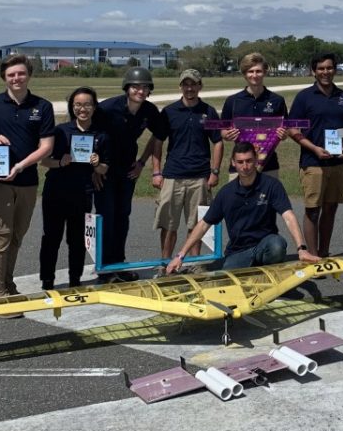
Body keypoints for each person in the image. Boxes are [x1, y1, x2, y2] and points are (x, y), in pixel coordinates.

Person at [164, 141, 318, 273]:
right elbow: (204, 224)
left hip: (264, 245)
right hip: (238, 251)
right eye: (240, 162)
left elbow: (289, 216)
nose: (245, 166)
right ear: (233, 163)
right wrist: (180, 255)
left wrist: (301, 249)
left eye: (249, 161)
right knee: (228, 286)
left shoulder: (271, 185)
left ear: (256, 160)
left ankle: (268, 271)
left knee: (277, 245)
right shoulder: (226, 193)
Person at [0, 54, 55, 301]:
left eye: (20, 73)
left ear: (29, 75)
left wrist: (21, 166)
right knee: (0, 236)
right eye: (11, 75)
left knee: (16, 236)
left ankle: (7, 283)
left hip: (27, 182)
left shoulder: (42, 106)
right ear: (4, 78)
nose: (16, 78)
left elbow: (46, 146)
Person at [95, 66, 168, 281]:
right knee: (106, 217)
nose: (141, 91)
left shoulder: (149, 111)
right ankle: (105, 268)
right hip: (104, 170)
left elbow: (158, 136)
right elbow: (88, 134)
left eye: (145, 87)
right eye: (136, 87)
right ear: (127, 88)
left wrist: (142, 163)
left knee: (122, 216)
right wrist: (95, 168)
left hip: (127, 170)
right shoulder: (108, 108)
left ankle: (119, 263)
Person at [38, 87, 108, 290]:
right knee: (51, 237)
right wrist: (60, 162)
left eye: (87, 104)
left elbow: (105, 168)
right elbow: (44, 161)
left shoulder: (101, 135)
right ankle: (47, 279)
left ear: (94, 107)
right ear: (72, 107)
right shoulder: (60, 131)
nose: (82, 108)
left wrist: (97, 164)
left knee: (77, 240)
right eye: (77, 104)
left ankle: (75, 278)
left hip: (83, 192)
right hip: (56, 191)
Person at [288, 53, 343, 257]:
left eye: (329, 68)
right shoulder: (304, 97)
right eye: (321, 68)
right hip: (313, 162)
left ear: (335, 69)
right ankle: (313, 256)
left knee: (331, 208)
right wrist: (314, 148)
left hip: (337, 163)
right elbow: (292, 129)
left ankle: (325, 253)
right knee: (312, 210)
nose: (325, 72)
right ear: (313, 71)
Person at [152, 69, 223, 262]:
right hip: (172, 175)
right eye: (186, 84)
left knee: (196, 224)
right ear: (180, 86)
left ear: (200, 86)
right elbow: (157, 141)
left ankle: (194, 263)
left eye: (193, 84)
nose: (189, 88)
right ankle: (165, 263)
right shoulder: (169, 112)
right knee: (168, 225)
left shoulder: (208, 111)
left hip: (199, 176)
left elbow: (218, 141)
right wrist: (156, 172)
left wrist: (215, 171)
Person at [220, 52, 290, 177]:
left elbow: (286, 130)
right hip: (240, 165)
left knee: (268, 197)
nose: (254, 75)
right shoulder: (233, 101)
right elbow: (223, 131)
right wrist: (227, 134)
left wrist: (284, 134)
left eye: (258, 71)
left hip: (268, 165)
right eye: (250, 71)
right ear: (244, 74)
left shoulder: (277, 100)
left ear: (265, 72)